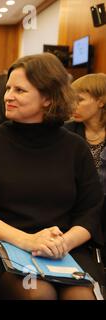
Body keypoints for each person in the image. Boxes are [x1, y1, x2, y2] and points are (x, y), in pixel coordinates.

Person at [0, 53, 104, 300]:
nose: (8, 96)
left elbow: (91, 211)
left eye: (20, 90)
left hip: (63, 247)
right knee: (37, 293)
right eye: (8, 88)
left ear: (48, 98)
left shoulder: (75, 147)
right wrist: (28, 241)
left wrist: (65, 243)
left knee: (80, 296)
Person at [65, 73, 106, 261]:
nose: (73, 105)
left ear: (101, 102)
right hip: (74, 212)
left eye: (79, 100)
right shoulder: (65, 132)